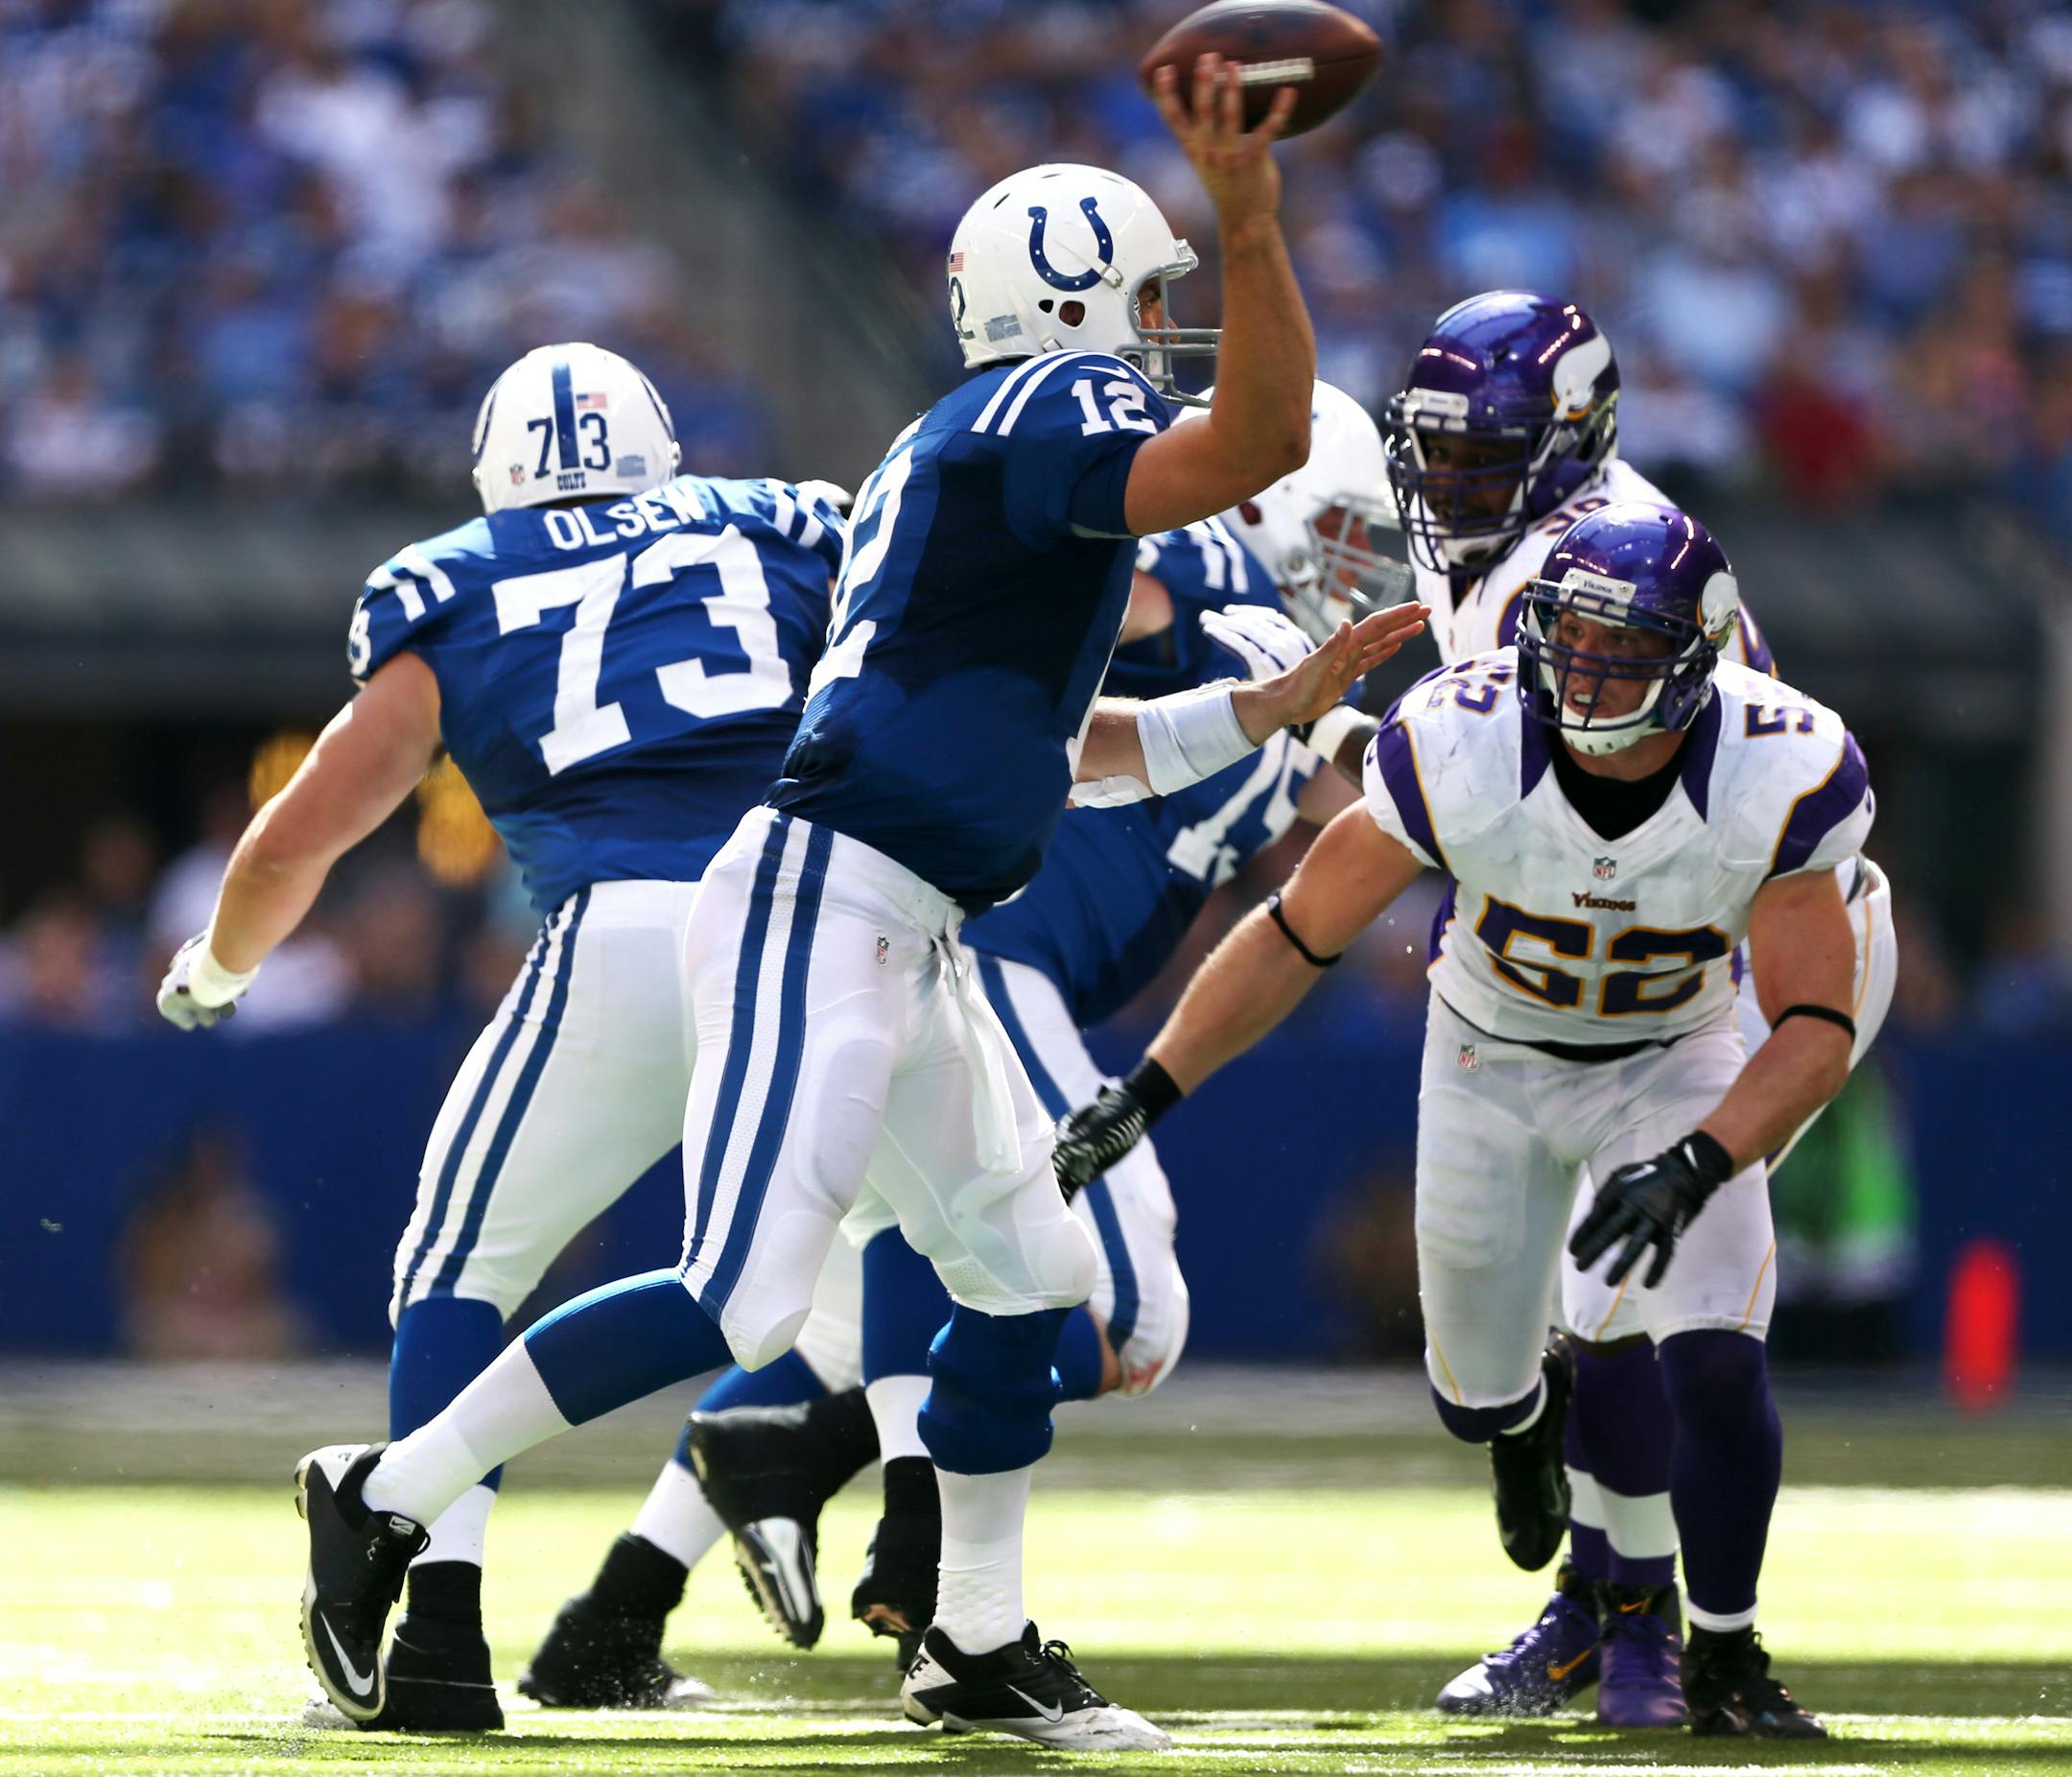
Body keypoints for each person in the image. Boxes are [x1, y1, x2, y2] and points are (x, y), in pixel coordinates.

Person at [284, 59, 1429, 1752]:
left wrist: (1265, 707)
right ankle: (387, 1493)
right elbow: (1257, 436)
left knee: (1030, 1264)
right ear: (1071, 300)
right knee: (744, 1297)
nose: (1165, 327)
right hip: (821, 904)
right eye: (1152, 294)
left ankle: (974, 1638)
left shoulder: (989, 452)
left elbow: (1065, 744)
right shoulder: (1039, 418)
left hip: (917, 923)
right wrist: (1253, 221)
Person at [523, 389, 1395, 1692]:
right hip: (970, 950)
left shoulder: (1261, 622)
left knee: (854, 1313)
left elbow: (1376, 784)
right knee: (1123, 1305)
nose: (1350, 559)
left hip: (958, 951)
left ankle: (616, 1613)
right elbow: (1115, 579)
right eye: (1333, 525)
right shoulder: (1201, 560)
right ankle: (921, 1555)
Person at [1056, 501, 1880, 1741]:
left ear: (1702, 656)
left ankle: (1724, 1656)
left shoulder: (1784, 767)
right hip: (1486, 1060)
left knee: (1710, 1349)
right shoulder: (1462, 734)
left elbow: (1816, 1018)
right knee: (1475, 1394)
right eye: (1571, 638)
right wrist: (1145, 1088)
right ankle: (1523, 1418)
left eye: (1625, 647)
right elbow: (1299, 931)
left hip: (1675, 1056)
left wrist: (1700, 1160)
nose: (1586, 671)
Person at [156, 340, 846, 1729]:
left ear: (497, 473)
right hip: (818, 934)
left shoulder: (459, 576)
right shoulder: (782, 522)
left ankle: (442, 1643)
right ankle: (960, 1610)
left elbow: (313, 826)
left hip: (629, 934)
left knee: (463, 1267)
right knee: (915, 1265)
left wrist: (216, 965)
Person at [1378, 291, 1895, 1727]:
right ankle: (1607, 1607)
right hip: (1636, 936)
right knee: (1595, 1311)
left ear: (1573, 443)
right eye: (1439, 457)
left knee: (1634, 1307)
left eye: (1486, 460)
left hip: (1735, 943)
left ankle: (1639, 1626)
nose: (1454, 491)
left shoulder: (1584, 572)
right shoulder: (1531, 562)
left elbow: (1695, 819)